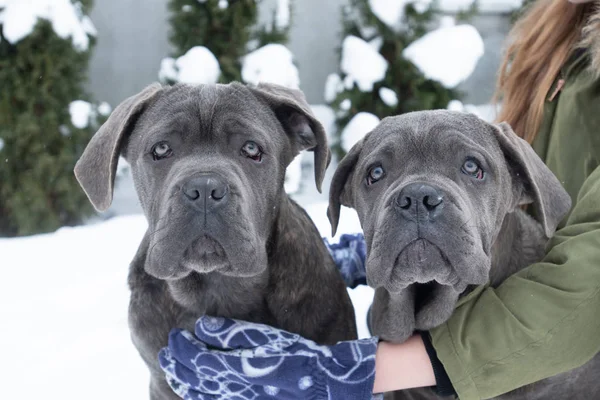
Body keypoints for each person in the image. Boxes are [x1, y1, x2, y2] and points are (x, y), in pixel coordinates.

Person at [158, 0, 600, 398]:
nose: (418, 199)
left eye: (470, 166)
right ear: (344, 198)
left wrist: (356, 372)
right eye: (376, 174)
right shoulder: (559, 27)